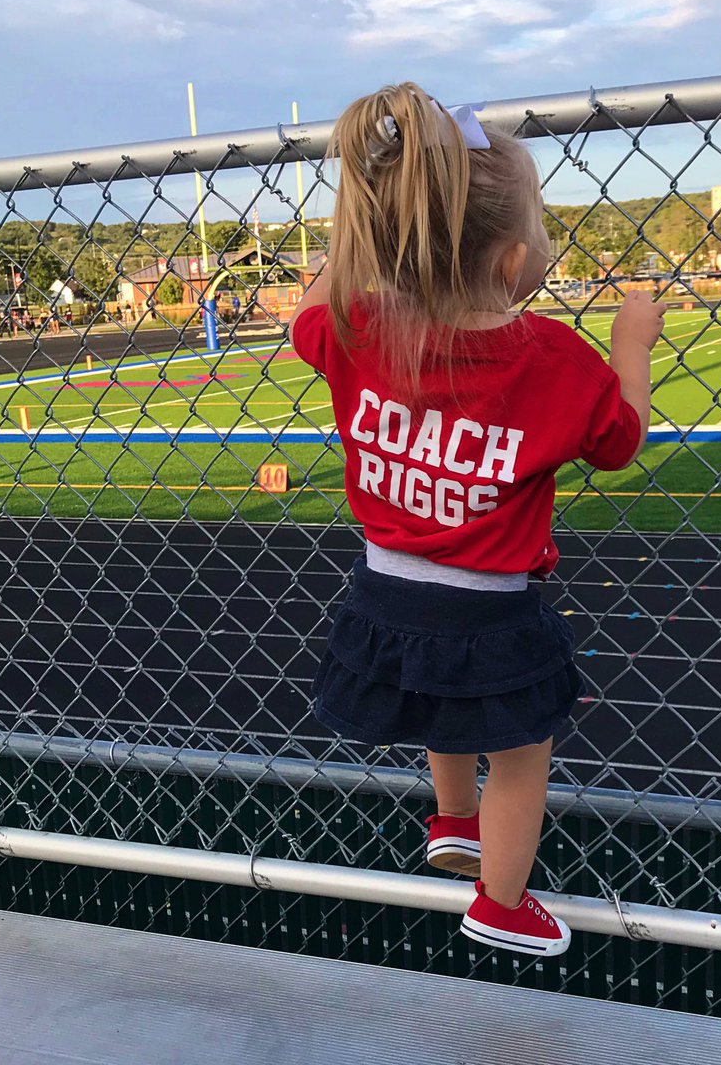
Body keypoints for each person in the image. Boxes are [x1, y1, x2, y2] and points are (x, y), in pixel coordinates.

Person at [289, 82, 665, 958]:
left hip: (383, 591)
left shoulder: (358, 328)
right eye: (540, 231)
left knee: (438, 705)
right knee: (522, 749)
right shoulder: (550, 358)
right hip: (490, 607)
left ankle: (451, 821)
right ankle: (501, 904)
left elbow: (312, 305)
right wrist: (631, 347)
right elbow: (621, 439)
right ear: (509, 264)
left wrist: (368, 216)